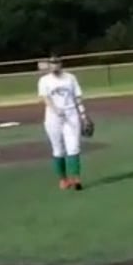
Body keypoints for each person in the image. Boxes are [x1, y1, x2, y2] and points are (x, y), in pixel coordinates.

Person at [37, 55, 89, 191]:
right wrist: (56, 109)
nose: (54, 65)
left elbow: (77, 97)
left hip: (71, 114)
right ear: (49, 65)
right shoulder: (44, 80)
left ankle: (76, 178)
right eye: (52, 63)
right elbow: (45, 98)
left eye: (56, 63)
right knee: (58, 149)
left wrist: (83, 115)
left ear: (61, 64)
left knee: (74, 147)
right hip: (53, 117)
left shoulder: (70, 78)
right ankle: (63, 179)